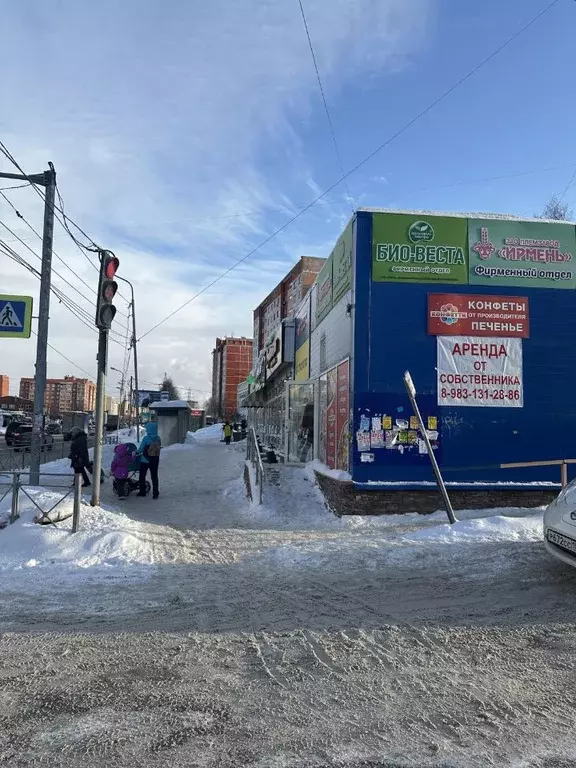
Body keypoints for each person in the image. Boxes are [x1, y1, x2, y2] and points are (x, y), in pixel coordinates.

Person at [137, 421, 161, 498]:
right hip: (155, 459)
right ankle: (155, 493)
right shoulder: (158, 438)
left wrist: (136, 452)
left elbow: (140, 449)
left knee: (142, 476)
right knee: (154, 476)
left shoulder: (146, 438)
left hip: (145, 460)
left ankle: (142, 491)